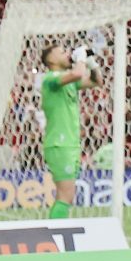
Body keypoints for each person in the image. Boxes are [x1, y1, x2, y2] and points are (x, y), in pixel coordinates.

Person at [38, 45, 91, 219]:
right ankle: (54, 236)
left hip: (69, 144)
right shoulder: (50, 79)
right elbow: (77, 74)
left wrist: (90, 61)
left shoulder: (68, 82)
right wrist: (81, 59)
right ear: (51, 60)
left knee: (67, 196)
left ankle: (56, 233)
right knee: (65, 195)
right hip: (59, 144)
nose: (68, 54)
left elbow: (97, 81)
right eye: (62, 52)